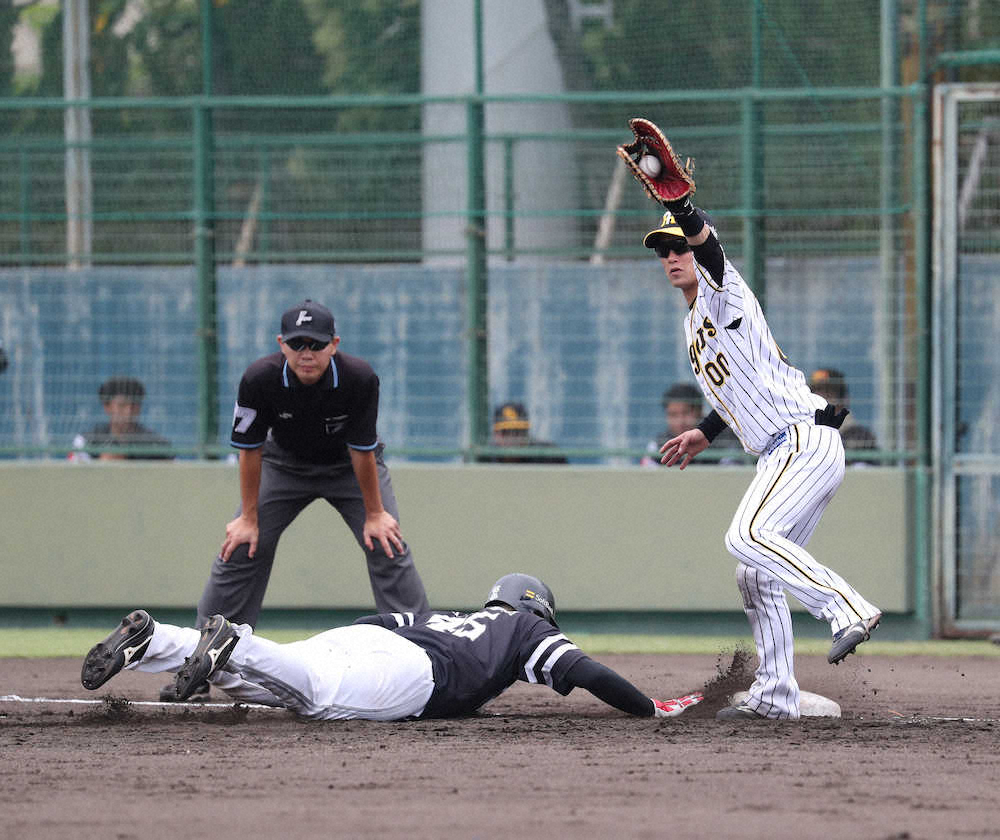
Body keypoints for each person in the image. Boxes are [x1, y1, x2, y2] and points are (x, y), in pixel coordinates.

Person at [641, 157, 882, 721]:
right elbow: (741, 389)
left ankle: (846, 607)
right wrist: (704, 430)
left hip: (803, 441)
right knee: (754, 569)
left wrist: (680, 207)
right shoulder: (693, 324)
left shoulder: (724, 292)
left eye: (678, 246)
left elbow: (711, 249)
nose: (673, 255)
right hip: (784, 450)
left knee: (747, 535)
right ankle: (777, 696)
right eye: (663, 250)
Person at [179, 300, 430, 701]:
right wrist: (248, 517)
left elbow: (363, 451)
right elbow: (249, 449)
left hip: (350, 466)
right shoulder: (259, 379)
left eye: (316, 344)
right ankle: (199, 666)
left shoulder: (358, 378)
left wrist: (375, 513)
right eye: (297, 344)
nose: (306, 353)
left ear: (334, 345)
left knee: (387, 543)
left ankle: (427, 658)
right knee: (241, 546)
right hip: (284, 465)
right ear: (281, 344)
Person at [80, 572, 703, 720]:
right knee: (319, 698)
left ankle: (161, 639)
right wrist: (649, 708)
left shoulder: (452, 614)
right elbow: (587, 671)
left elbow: (378, 618)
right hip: (416, 670)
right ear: (537, 608)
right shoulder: (527, 631)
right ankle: (230, 645)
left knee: (289, 687)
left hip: (371, 635)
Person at [70, 376, 172, 461]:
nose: (129, 411)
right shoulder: (86, 442)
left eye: (134, 405)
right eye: (122, 405)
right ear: (107, 407)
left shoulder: (157, 445)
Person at [641, 382, 740, 466]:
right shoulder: (657, 446)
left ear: (700, 411)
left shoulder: (727, 441)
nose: (680, 421)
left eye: (686, 413)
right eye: (673, 415)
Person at [808, 368, 879, 464]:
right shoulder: (804, 434)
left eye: (828, 393)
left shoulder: (862, 437)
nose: (821, 399)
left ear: (844, 398)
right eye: (815, 393)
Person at [477, 402, 568, 464]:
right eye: (506, 432)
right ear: (495, 434)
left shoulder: (548, 457)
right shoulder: (483, 460)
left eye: (519, 432)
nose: (513, 438)